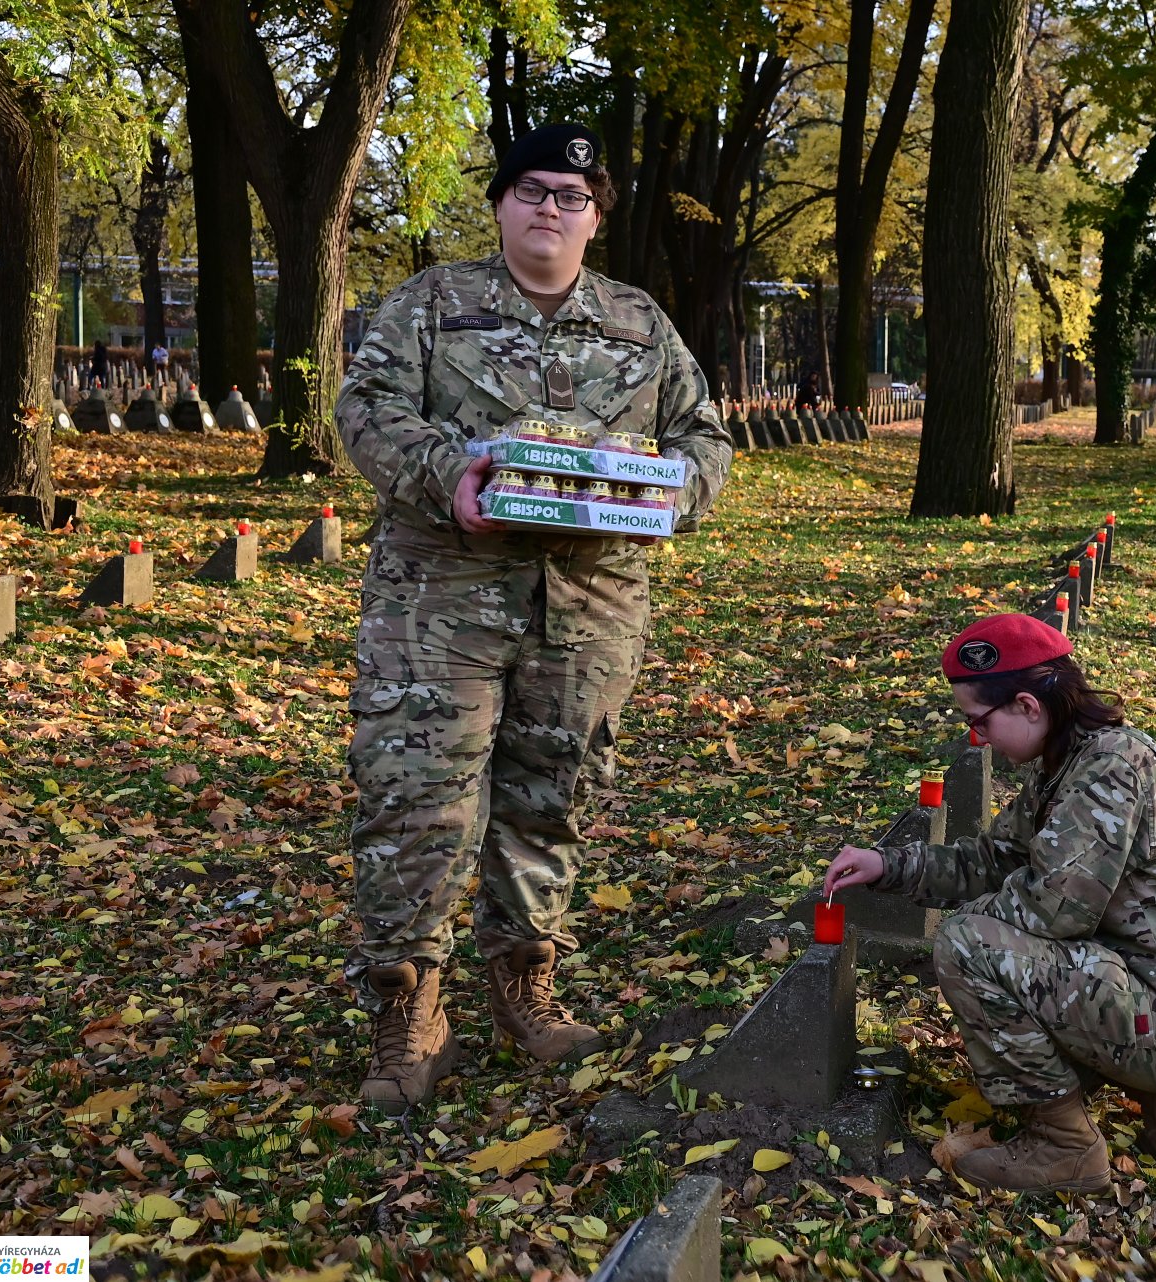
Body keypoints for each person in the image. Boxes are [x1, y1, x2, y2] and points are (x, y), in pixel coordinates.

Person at [334, 122, 734, 1114]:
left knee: (554, 796)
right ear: (501, 204)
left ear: (596, 217)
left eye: (572, 195)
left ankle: (524, 981)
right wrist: (447, 475)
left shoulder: (639, 322)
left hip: (589, 607)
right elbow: (367, 407)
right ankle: (408, 1005)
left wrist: (664, 495)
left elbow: (703, 436)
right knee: (416, 799)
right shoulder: (432, 304)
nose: (551, 208)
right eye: (532, 190)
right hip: (440, 601)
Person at [823, 615, 1156, 1192]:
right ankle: (1145, 1092)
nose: (979, 738)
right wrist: (890, 866)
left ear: (1027, 705)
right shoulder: (1075, 758)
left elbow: (1055, 911)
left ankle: (1064, 1146)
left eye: (979, 720)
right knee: (990, 935)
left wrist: (974, 930)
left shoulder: (1108, 771)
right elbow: (997, 859)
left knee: (969, 944)